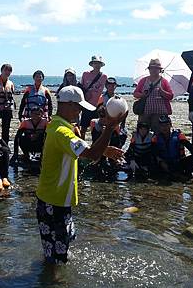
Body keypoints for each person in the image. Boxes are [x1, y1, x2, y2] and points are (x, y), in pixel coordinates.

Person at [35, 85, 126, 268]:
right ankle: (55, 286)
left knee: (56, 246)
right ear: (67, 105)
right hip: (55, 203)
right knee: (59, 259)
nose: (79, 112)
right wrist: (109, 127)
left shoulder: (56, 125)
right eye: (78, 107)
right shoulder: (63, 132)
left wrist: (105, 151)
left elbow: (80, 148)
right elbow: (91, 154)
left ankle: (50, 273)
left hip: (49, 199)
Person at [133, 58, 174, 133]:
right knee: (143, 132)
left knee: (158, 133)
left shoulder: (164, 81)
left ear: (160, 70)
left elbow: (171, 96)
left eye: (156, 68)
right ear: (149, 69)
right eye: (152, 68)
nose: (154, 70)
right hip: (144, 112)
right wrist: (142, 95)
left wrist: (162, 92)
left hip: (160, 113)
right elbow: (135, 94)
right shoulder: (143, 80)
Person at [79, 55, 108, 139]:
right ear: (92, 64)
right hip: (86, 104)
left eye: (99, 63)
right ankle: (83, 145)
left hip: (97, 106)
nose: (97, 65)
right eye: (95, 63)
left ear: (101, 65)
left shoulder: (104, 76)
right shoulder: (85, 74)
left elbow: (108, 88)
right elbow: (81, 87)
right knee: (83, 128)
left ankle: (95, 146)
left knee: (97, 128)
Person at [0, 64, 16, 143]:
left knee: (6, 129)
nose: (7, 72)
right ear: (1, 71)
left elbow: (12, 95)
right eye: (6, 70)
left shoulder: (11, 83)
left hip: (7, 109)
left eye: (9, 71)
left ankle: (5, 145)